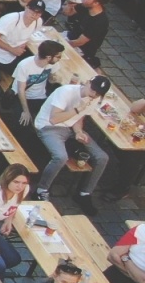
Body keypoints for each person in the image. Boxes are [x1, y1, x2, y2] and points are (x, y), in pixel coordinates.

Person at [34, 77, 111, 210]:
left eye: (98, 94)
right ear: (87, 82)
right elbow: (54, 119)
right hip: (48, 127)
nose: (94, 95)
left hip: (69, 128)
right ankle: (41, 190)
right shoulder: (65, 92)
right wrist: (77, 109)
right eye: (93, 90)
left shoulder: (94, 99)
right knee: (61, 157)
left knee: (102, 157)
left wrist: (78, 132)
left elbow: (78, 118)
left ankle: (84, 193)